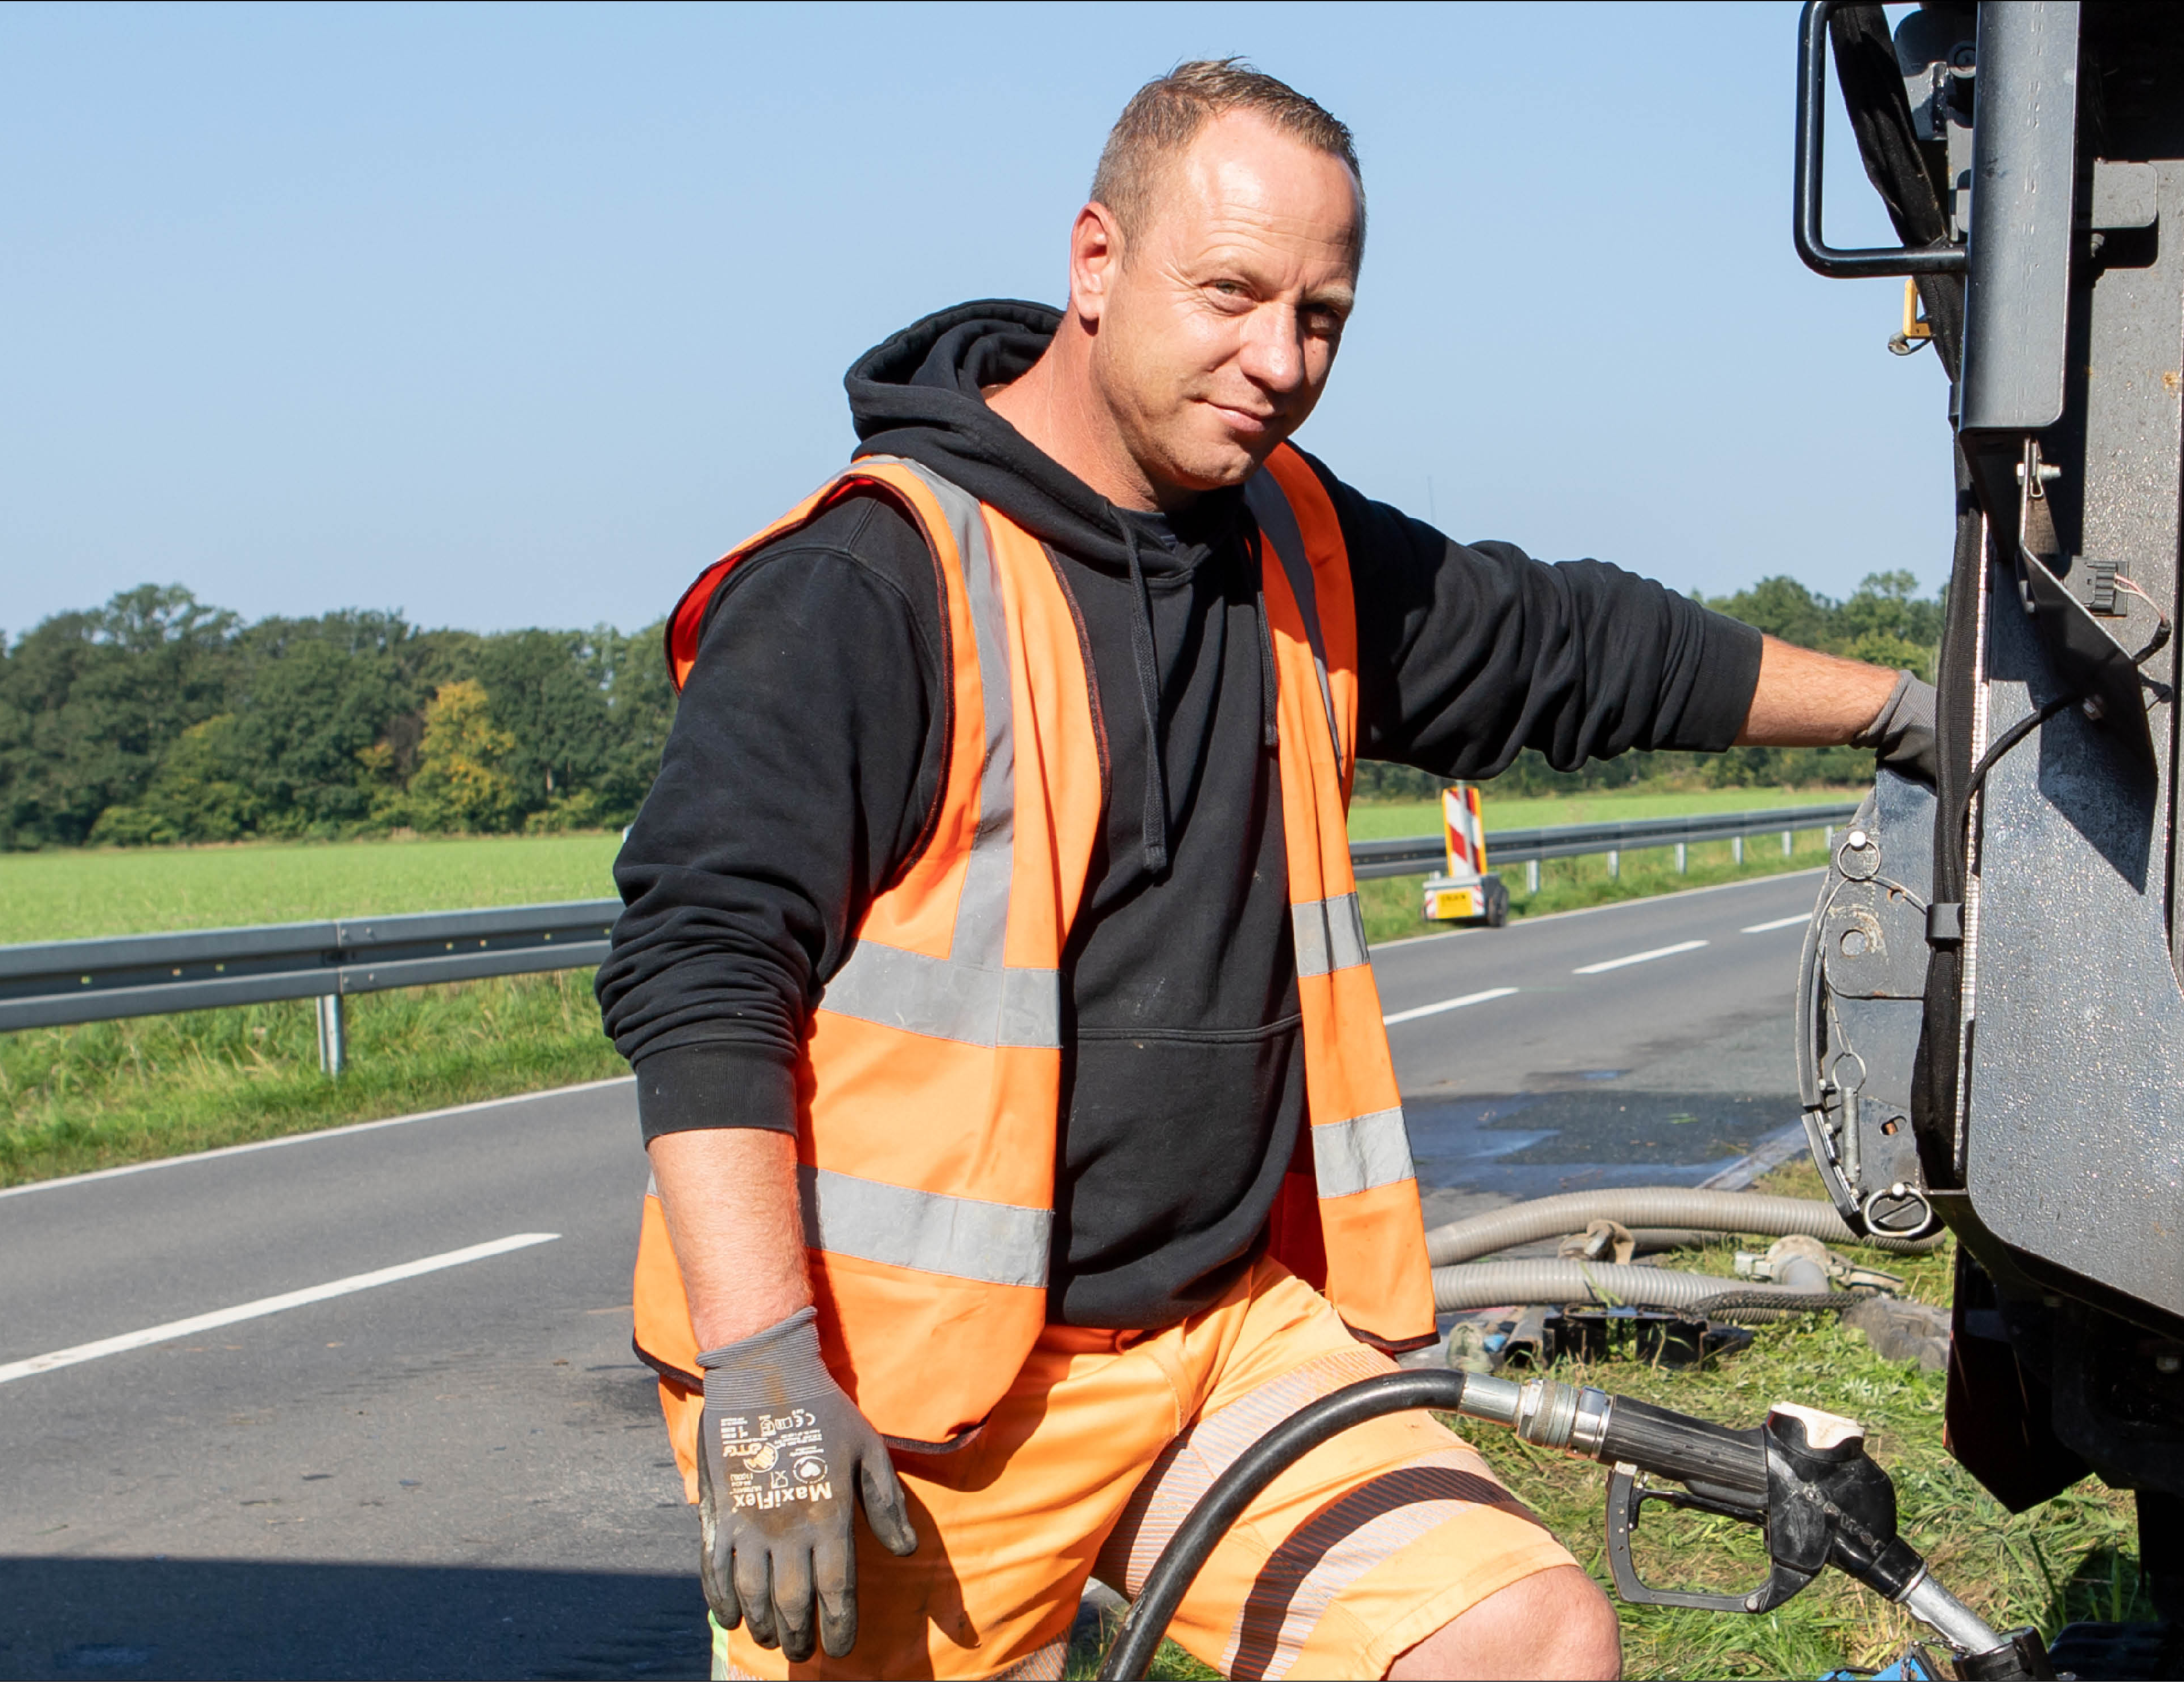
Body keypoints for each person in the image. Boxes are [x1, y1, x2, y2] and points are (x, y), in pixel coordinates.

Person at [599, 58, 1939, 1681]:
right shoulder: (869, 582)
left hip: (1225, 1340)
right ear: (1093, 265)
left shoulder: (1288, 536)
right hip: (908, 1395)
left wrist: (1900, 711)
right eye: (1230, 293)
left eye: (1322, 317)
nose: (1278, 359)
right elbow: (703, 965)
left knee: (1519, 1638)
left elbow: (1579, 647)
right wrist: (756, 1364)